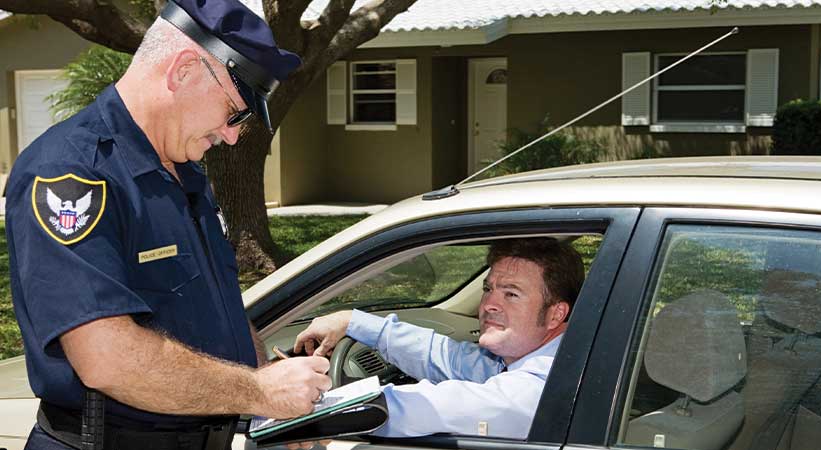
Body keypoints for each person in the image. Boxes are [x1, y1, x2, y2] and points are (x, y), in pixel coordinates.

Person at [5, 1, 331, 449]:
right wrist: (259, 391)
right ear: (183, 71)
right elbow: (106, 358)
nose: (232, 135)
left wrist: (272, 397)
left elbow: (217, 308)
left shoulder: (186, 174)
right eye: (234, 112)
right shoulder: (73, 173)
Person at [294, 238, 585, 440]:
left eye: (511, 293)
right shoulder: (548, 355)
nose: (488, 305)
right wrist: (352, 322)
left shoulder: (537, 388)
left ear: (555, 314)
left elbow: (427, 408)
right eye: (488, 289)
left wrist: (305, 404)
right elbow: (448, 358)